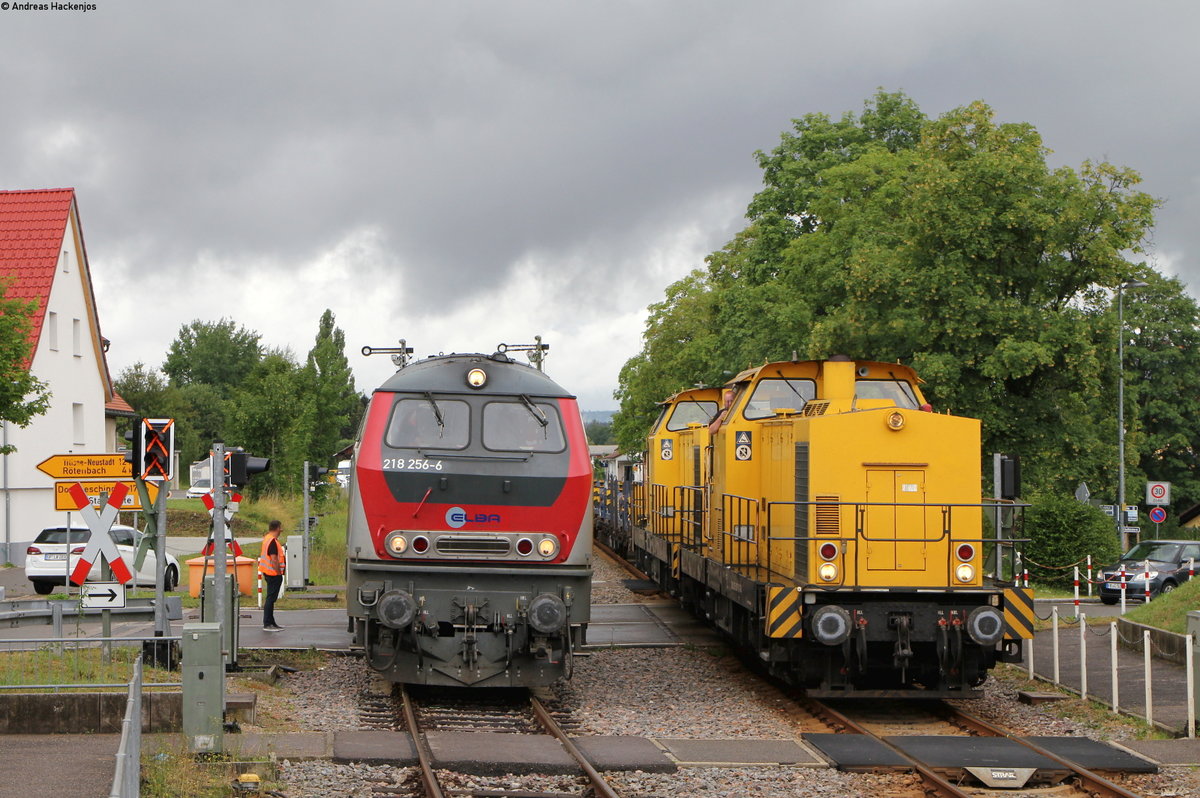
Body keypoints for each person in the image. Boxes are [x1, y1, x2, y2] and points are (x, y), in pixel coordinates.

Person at [259, 520, 286, 631]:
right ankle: (268, 623)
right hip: (273, 574)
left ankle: (271, 622)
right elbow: (274, 559)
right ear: (277, 528)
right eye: (280, 527)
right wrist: (279, 573)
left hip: (268, 572)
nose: (281, 530)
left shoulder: (268, 538)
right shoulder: (272, 541)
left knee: (271, 599)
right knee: (271, 599)